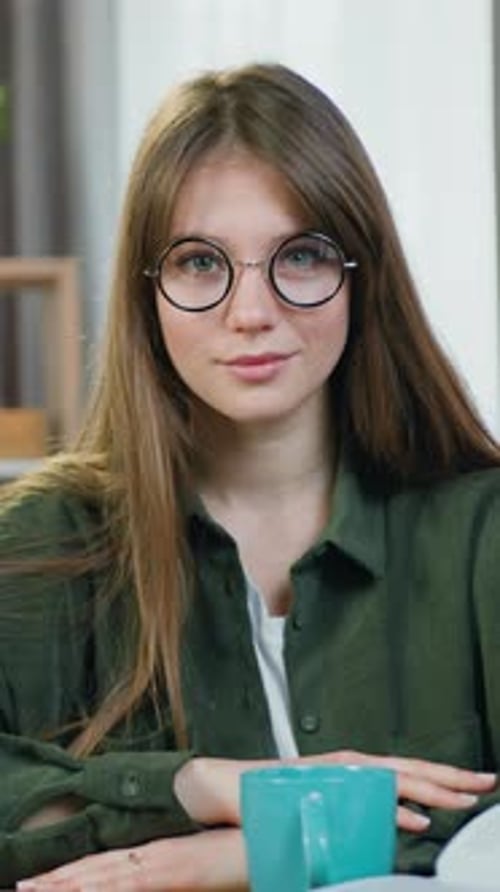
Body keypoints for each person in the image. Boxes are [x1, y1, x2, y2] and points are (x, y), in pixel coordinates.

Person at [1, 61, 499, 891]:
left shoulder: (480, 529)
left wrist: (245, 856)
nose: (252, 311)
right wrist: (196, 786)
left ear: (358, 275)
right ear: (147, 292)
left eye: (299, 255)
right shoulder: (40, 539)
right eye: (202, 263)